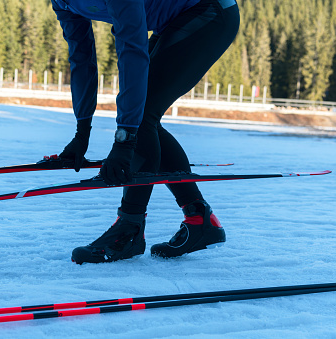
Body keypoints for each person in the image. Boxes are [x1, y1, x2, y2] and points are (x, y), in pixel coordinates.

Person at [52, 0, 240, 264]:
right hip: (176, 19)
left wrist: (125, 139)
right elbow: (81, 58)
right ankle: (200, 220)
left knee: (142, 117)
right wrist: (81, 132)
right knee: (144, 116)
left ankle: (129, 230)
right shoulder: (62, 2)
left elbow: (132, 50)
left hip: (210, 12)